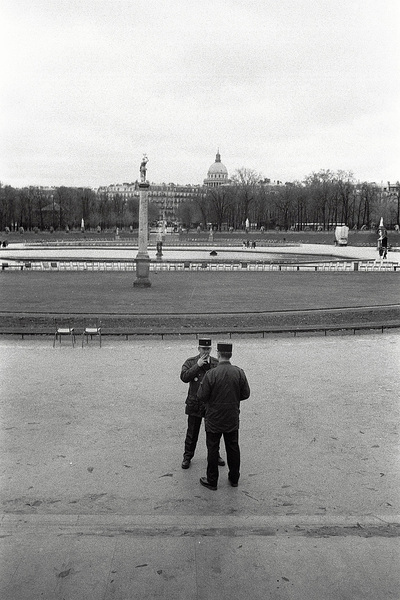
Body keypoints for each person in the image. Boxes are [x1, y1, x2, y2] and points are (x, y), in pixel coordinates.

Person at [197, 342, 250, 490]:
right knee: (233, 447)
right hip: (232, 417)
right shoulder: (239, 372)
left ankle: (212, 480)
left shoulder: (211, 374)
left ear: (218, 355)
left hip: (214, 418)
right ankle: (234, 478)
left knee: (213, 449)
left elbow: (201, 395)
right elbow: (245, 394)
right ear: (230, 355)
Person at [180, 339, 225, 469]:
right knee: (192, 433)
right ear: (198, 349)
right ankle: (187, 456)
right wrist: (197, 365)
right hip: (195, 403)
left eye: (208, 349)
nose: (205, 351)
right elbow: (184, 377)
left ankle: (214, 455)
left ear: (211, 350)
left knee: (213, 433)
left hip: (210, 404)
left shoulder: (216, 363)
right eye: (203, 349)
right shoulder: (190, 362)